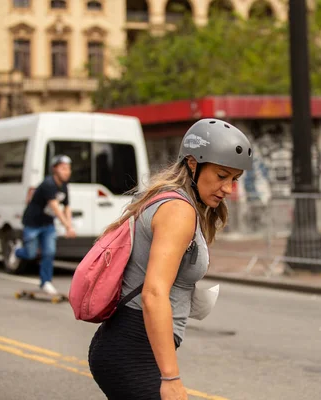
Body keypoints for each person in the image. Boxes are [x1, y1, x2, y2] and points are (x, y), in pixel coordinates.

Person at [87, 119, 253, 400]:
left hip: (128, 344)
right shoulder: (178, 210)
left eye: (233, 180)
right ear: (192, 163)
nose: (228, 188)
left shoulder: (171, 200)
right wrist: (171, 377)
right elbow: (153, 293)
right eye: (222, 175)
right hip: (134, 349)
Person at [9, 154, 76, 295]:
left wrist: (70, 225)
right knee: (30, 254)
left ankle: (46, 282)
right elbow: (56, 208)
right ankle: (16, 250)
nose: (67, 171)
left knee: (49, 252)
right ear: (55, 169)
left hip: (48, 224)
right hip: (33, 223)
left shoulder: (64, 186)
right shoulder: (48, 184)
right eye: (63, 168)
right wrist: (67, 227)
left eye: (68, 168)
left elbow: (67, 207)